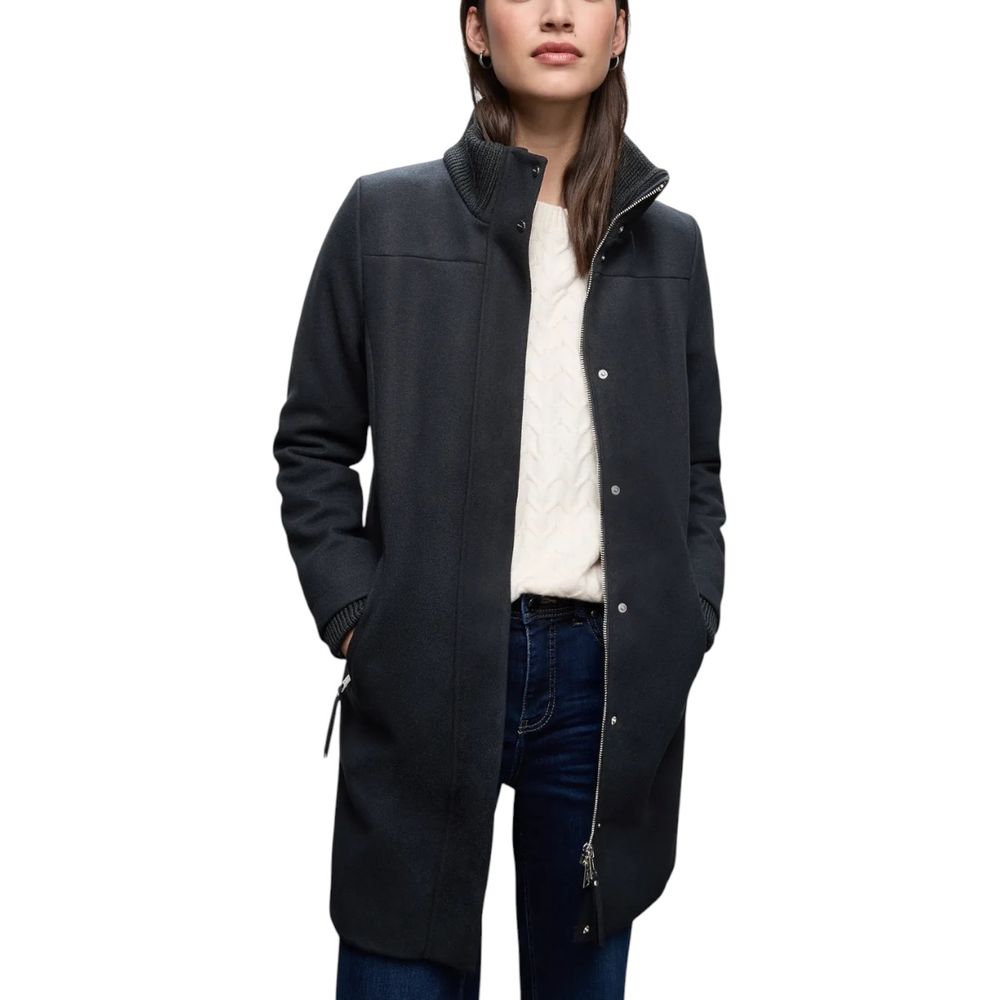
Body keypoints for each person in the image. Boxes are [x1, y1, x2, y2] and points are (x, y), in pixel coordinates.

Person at [273, 1, 726, 997]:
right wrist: (359, 615)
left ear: (620, 30)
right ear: (476, 29)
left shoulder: (671, 248)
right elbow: (313, 443)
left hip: (605, 681)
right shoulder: (384, 218)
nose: (557, 13)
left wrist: (684, 616)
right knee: (398, 958)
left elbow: (698, 468)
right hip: (424, 661)